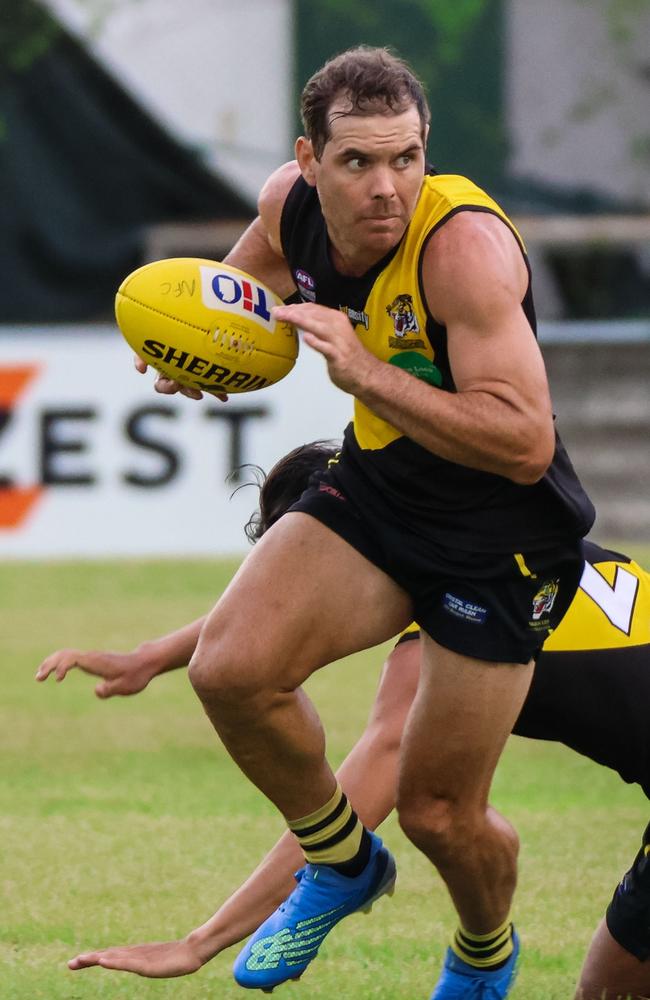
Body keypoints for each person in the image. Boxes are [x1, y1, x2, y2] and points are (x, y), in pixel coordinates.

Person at [92, 45, 601, 997]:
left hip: (504, 537)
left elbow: (526, 443)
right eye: (359, 162)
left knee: (440, 813)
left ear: (426, 152)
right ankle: (343, 862)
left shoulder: (464, 251)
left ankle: (485, 951)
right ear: (309, 158)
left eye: (406, 158)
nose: (387, 186)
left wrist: (362, 368)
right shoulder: (287, 203)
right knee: (233, 673)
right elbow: (237, 298)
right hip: (382, 489)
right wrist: (204, 354)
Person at [37, 441, 650, 1000]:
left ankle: (484, 951)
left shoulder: (465, 620)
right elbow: (286, 613)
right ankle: (483, 948)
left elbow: (364, 785)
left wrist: (203, 939)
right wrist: (154, 657)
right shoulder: (497, 557)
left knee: (437, 812)